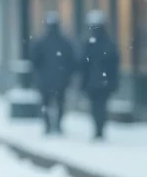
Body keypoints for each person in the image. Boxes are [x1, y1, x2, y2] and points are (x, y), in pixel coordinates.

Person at [30, 11, 77, 135]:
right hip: (60, 80)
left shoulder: (41, 42)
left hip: (45, 80)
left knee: (46, 103)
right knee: (60, 103)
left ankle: (48, 125)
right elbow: (71, 62)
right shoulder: (65, 43)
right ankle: (58, 125)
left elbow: (34, 61)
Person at [78, 10, 119, 140]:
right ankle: (99, 128)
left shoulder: (90, 44)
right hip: (103, 81)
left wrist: (84, 82)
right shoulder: (108, 43)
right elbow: (114, 64)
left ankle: (98, 128)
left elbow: (84, 65)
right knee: (101, 106)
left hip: (94, 81)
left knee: (96, 106)